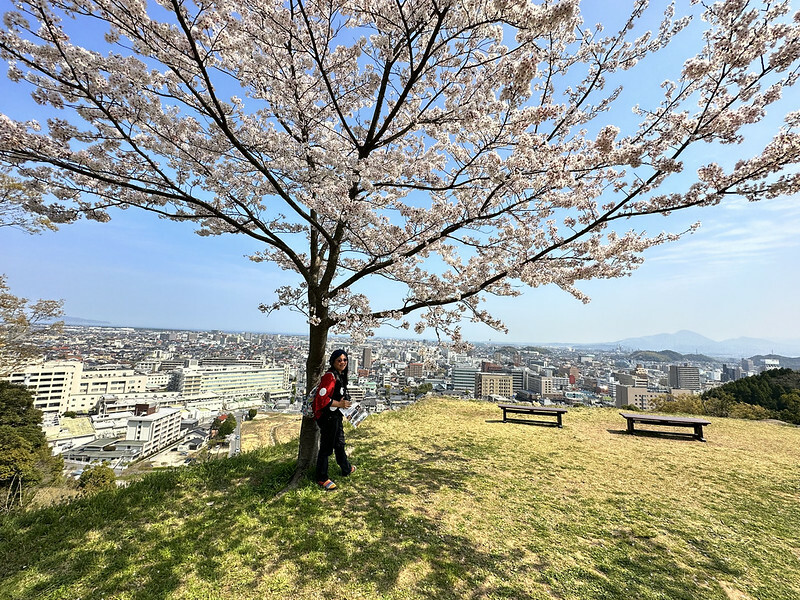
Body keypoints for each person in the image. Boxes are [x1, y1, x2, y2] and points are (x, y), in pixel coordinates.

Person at [313, 349, 356, 490]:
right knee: (326, 448)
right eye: (339, 360)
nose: (342, 362)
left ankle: (346, 468)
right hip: (327, 417)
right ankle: (322, 477)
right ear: (333, 362)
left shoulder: (340, 376)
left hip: (336, 416)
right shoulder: (330, 377)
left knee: (339, 443)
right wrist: (339, 404)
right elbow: (322, 398)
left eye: (345, 360)